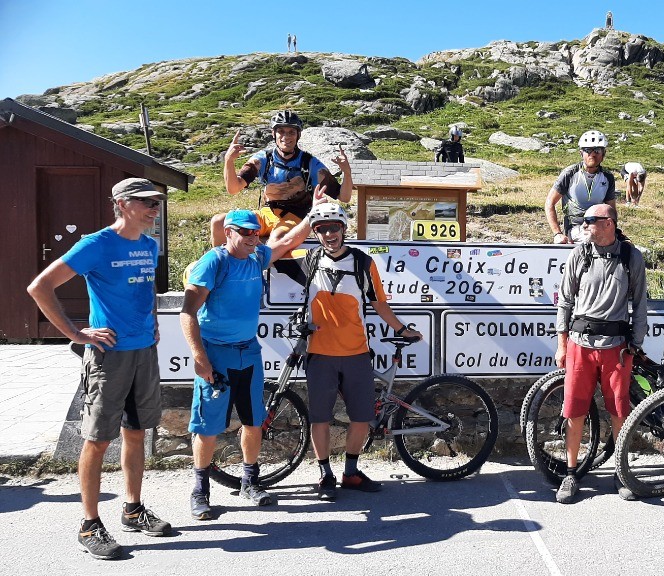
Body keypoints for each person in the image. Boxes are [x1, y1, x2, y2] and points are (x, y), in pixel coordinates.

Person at [26, 178, 172, 560]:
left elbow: (146, 290)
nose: (154, 208)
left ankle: (133, 509)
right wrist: (76, 332)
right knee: (98, 440)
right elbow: (39, 286)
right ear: (122, 204)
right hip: (109, 356)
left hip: (144, 352)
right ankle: (89, 524)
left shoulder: (148, 244)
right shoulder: (96, 244)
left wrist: (153, 321)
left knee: (137, 433)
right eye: (145, 202)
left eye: (156, 202)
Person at [181, 205, 322, 521]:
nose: (251, 238)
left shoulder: (257, 257)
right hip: (216, 354)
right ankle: (200, 490)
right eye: (244, 232)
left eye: (255, 233)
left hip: (249, 353)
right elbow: (187, 312)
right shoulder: (214, 262)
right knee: (207, 427)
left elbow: (286, 243)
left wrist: (313, 212)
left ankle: (249, 481)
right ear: (228, 232)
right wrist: (199, 357)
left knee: (254, 421)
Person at [298, 202, 423, 500]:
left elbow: (379, 303)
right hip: (319, 353)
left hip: (356, 352)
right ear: (315, 233)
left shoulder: (363, 263)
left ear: (344, 229)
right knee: (319, 418)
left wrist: (400, 328)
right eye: (321, 229)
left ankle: (351, 472)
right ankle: (325, 474)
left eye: (334, 228)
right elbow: (273, 251)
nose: (329, 234)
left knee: (361, 416)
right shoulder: (309, 259)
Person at [553, 203, 647, 504]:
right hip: (581, 345)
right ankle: (570, 473)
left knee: (620, 412)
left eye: (590, 221)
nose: (584, 225)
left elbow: (640, 304)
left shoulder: (631, 257)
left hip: (617, 349)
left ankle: (621, 472)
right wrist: (562, 343)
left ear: (609, 223)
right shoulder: (579, 254)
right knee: (574, 410)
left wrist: (636, 342)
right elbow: (565, 301)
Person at [214, 110, 353, 248]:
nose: (286, 136)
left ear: (298, 135)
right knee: (219, 222)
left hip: (296, 217)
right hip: (267, 214)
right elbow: (233, 188)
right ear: (273, 134)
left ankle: (258, 267)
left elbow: (344, 196)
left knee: (277, 238)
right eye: (281, 131)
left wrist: (346, 172)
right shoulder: (263, 159)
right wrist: (229, 161)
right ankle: (221, 267)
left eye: (291, 132)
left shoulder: (310, 164)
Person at [545, 130, 617, 244]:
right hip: (575, 226)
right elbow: (550, 202)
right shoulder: (569, 173)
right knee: (590, 240)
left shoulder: (608, 177)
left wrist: (615, 232)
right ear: (581, 153)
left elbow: (611, 210)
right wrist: (557, 234)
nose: (592, 154)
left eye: (597, 150)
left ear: (604, 153)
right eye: (588, 150)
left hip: (598, 225)